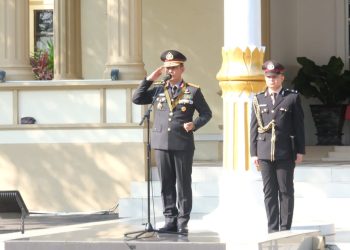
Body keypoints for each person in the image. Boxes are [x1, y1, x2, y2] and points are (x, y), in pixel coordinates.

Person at [132, 50, 212, 235]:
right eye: (167, 68)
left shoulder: (193, 90)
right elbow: (137, 98)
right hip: (161, 143)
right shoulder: (159, 88)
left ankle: (183, 221)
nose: (171, 71)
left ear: (182, 68)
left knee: (183, 184)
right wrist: (151, 78)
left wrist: (195, 124)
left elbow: (207, 113)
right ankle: (170, 219)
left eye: (174, 67)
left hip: (182, 143)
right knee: (166, 184)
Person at [250, 60, 305, 233]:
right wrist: (253, 153)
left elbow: (299, 126)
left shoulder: (292, 97)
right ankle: (272, 228)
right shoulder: (258, 99)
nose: (271, 80)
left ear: (282, 77)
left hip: (285, 151)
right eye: (268, 77)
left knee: (286, 190)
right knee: (269, 192)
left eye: (275, 77)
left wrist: (300, 150)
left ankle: (285, 227)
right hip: (264, 152)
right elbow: (253, 128)